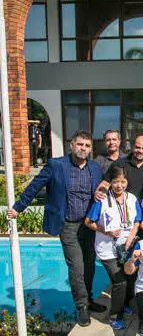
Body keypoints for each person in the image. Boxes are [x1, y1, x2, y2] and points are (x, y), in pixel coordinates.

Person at [8, 130, 105, 326]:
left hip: (89, 226)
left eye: (87, 146)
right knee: (76, 267)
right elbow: (35, 186)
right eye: (80, 144)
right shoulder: (56, 165)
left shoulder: (95, 168)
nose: (83, 148)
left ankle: (89, 298)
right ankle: (82, 307)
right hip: (67, 225)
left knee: (89, 265)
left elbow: (102, 190)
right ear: (71, 145)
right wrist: (19, 207)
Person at [84, 166, 142, 330]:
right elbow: (88, 222)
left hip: (126, 247)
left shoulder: (131, 198)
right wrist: (105, 231)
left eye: (122, 182)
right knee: (120, 282)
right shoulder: (102, 200)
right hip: (107, 249)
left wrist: (131, 237)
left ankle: (125, 303)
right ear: (110, 182)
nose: (119, 185)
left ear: (127, 182)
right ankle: (115, 315)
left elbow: (137, 221)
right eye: (115, 182)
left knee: (130, 276)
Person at [96, 136, 143, 201]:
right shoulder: (119, 164)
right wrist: (100, 192)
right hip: (122, 207)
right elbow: (106, 184)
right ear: (132, 147)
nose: (140, 151)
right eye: (138, 147)